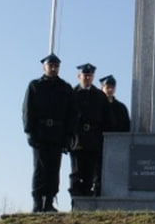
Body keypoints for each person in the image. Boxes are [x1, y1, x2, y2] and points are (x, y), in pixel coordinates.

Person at [21, 53, 74, 212]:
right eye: (50, 66)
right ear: (44, 67)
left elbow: (71, 114)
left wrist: (68, 136)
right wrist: (29, 132)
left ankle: (49, 201)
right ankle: (37, 202)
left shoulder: (65, 88)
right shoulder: (35, 86)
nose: (53, 68)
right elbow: (27, 110)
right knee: (40, 168)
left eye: (56, 66)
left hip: (57, 134)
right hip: (40, 133)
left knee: (54, 169)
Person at [69, 63, 109, 198]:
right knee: (76, 174)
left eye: (90, 76)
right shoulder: (72, 94)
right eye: (85, 75)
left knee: (90, 174)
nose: (87, 78)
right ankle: (76, 202)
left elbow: (106, 119)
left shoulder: (99, 96)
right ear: (79, 76)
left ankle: (87, 201)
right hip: (77, 140)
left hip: (94, 139)